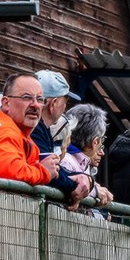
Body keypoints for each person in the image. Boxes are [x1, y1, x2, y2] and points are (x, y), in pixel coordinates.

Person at [31, 70, 91, 209]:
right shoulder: (36, 129)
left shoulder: (42, 129)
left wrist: (82, 179)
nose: (65, 107)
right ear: (53, 104)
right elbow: (51, 172)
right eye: (66, 101)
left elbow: (55, 169)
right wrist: (74, 187)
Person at [58, 103, 114, 219]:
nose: (102, 151)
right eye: (102, 140)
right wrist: (94, 192)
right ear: (95, 142)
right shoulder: (66, 161)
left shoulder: (83, 163)